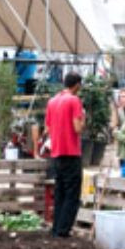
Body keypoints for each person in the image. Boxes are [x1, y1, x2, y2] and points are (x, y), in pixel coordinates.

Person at [44, 72, 85, 238]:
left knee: (59, 191)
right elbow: (77, 128)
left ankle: (56, 227)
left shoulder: (52, 101)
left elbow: (47, 128)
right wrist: (84, 119)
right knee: (72, 193)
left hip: (56, 153)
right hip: (71, 152)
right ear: (77, 85)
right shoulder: (74, 100)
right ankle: (63, 230)